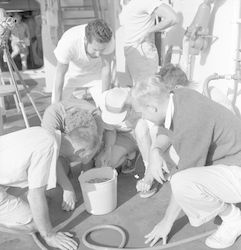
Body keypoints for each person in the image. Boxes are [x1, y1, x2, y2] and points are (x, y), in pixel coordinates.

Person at [130, 75, 241, 249]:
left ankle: (233, 218)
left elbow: (184, 177)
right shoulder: (178, 95)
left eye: (141, 114)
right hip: (229, 158)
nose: (142, 118)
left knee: (181, 182)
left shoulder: (191, 122)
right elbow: (165, 127)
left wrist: (167, 222)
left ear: (151, 107)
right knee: (167, 160)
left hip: (237, 168)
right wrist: (155, 151)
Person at [0, 127, 80, 250]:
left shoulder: (47, 133)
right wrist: (49, 235)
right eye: (86, 156)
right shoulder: (49, 147)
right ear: (80, 151)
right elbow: (34, 196)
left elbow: (53, 158)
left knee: (36, 189)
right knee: (35, 225)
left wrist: (67, 188)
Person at [41, 99, 104, 211]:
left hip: (75, 145)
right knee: (56, 176)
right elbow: (51, 154)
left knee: (89, 160)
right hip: (54, 148)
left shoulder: (96, 117)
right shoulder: (52, 117)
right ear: (68, 131)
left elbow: (92, 148)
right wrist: (67, 188)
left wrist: (85, 174)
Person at [52, 19, 115, 106]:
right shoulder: (68, 43)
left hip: (96, 73)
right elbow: (60, 73)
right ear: (85, 40)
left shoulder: (109, 40)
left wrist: (104, 101)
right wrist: (57, 102)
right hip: (71, 75)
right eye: (95, 49)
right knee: (56, 106)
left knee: (107, 106)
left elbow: (106, 69)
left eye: (102, 50)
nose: (98, 54)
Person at [119, 0, 179, 86]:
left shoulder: (146, 1)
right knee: (136, 91)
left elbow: (173, 18)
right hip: (131, 52)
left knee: (146, 91)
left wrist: (149, 32)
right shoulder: (127, 3)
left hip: (142, 52)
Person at [95, 87, 140, 174]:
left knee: (111, 163)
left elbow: (147, 132)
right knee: (100, 163)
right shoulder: (104, 100)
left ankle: (133, 153)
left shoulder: (139, 103)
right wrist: (108, 150)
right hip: (116, 132)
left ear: (130, 108)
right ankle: (125, 152)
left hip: (133, 133)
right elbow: (110, 129)